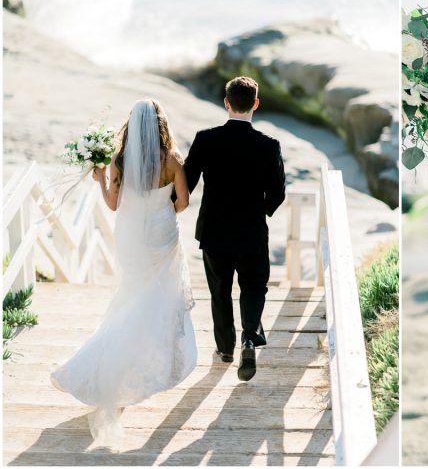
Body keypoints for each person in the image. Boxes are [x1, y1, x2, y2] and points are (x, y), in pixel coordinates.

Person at [51, 99, 197, 445]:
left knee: (131, 297)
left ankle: (107, 367)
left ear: (131, 125)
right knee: (155, 297)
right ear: (160, 124)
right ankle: (137, 359)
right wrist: (163, 208)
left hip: (131, 235)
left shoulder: (119, 160)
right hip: (162, 234)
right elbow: (185, 202)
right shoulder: (172, 160)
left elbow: (114, 205)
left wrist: (101, 180)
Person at [184, 76, 286, 382]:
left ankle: (225, 348)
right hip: (252, 232)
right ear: (255, 103)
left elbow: (186, 185)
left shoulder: (205, 139)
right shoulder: (269, 146)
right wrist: (260, 210)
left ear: (226, 103)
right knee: (254, 286)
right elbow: (278, 193)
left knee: (220, 290)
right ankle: (248, 339)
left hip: (214, 232)